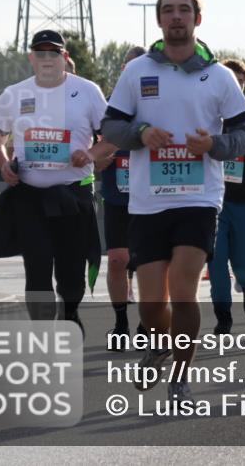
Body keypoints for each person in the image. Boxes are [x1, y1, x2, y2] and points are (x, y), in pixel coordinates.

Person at [101, 0, 245, 403]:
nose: (175, 17)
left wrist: (215, 145)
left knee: (183, 284)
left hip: (198, 197)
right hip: (148, 200)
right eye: (168, 10)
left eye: (183, 10)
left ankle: (182, 373)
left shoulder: (219, 76)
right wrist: (141, 132)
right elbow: (110, 126)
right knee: (153, 299)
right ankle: (158, 345)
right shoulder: (137, 72)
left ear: (197, 19)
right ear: (159, 19)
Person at [0, 29, 115, 331]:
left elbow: (113, 137)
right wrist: (3, 165)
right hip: (30, 195)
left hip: (73, 193)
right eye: (40, 53)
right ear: (31, 59)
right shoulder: (14, 94)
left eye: (53, 53)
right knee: (37, 267)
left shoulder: (87, 91)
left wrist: (91, 154)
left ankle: (69, 311)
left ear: (65, 58)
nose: (47, 59)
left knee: (71, 268)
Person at [208, 58, 245, 334]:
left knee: (241, 262)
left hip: (244, 197)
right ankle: (223, 315)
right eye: (232, 80)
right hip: (215, 199)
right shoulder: (210, 110)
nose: (236, 85)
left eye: (240, 81)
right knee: (216, 261)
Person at [99, 45, 146, 347]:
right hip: (117, 197)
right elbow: (96, 158)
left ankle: (147, 324)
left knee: (148, 264)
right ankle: (120, 323)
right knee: (118, 261)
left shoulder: (157, 106)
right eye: (128, 67)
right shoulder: (109, 108)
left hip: (151, 198)